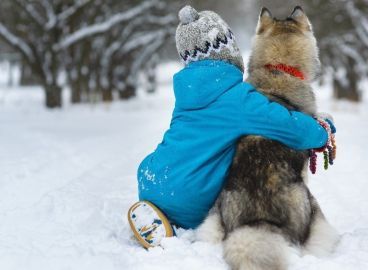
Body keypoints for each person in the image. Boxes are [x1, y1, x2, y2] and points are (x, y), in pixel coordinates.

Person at [127, 5, 332, 249]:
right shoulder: (238, 98)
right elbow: (287, 125)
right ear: (229, 51)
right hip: (192, 196)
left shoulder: (187, 95)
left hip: (150, 177)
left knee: (177, 152)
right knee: (209, 188)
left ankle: (157, 208)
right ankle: (174, 225)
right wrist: (321, 132)